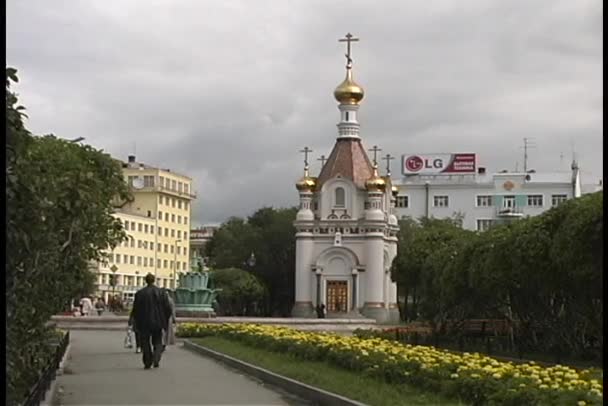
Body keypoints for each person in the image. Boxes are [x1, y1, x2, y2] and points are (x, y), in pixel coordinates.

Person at [131, 274, 172, 369]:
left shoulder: (140, 293)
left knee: (145, 341)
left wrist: (135, 321)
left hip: (144, 322)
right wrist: (164, 320)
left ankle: (147, 361)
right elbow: (167, 308)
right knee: (157, 340)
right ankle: (156, 358)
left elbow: (136, 309)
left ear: (146, 281)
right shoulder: (161, 293)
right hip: (158, 321)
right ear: (154, 280)